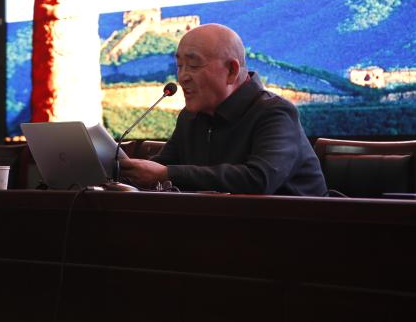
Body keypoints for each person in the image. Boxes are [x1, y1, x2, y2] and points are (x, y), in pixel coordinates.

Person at [119, 23, 328, 196]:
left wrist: (168, 174)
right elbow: (162, 166)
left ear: (231, 71)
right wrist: (126, 171)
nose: (182, 77)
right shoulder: (191, 117)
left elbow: (259, 179)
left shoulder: (275, 112)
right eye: (179, 66)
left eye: (193, 66)